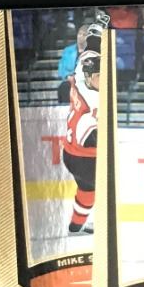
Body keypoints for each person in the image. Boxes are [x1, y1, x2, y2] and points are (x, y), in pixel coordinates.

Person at [62, 48, 100, 239]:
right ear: (89, 77)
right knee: (104, 189)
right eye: (99, 76)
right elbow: (87, 137)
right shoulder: (94, 101)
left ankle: (76, 226)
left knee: (87, 190)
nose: (104, 80)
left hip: (70, 153)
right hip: (83, 158)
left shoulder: (79, 78)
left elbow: (83, 59)